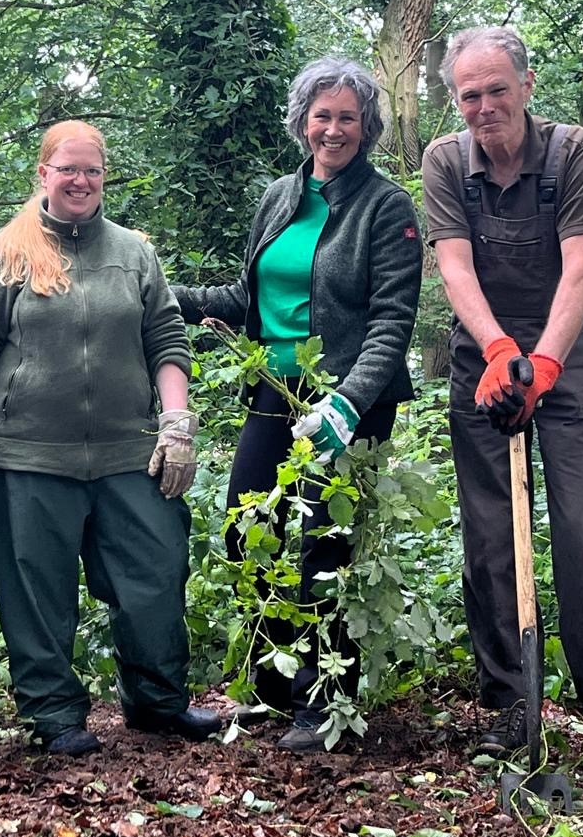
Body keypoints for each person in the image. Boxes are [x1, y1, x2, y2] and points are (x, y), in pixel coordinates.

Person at [0, 119, 221, 756]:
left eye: (92, 170)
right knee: (37, 587)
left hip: (132, 448)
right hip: (31, 455)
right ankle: (54, 716)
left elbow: (166, 339)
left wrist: (177, 424)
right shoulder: (8, 251)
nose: (80, 180)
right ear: (44, 173)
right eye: (68, 168)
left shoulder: (134, 252)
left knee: (154, 573)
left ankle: (158, 702)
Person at [174, 57, 422, 752]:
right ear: (302, 122)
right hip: (272, 392)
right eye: (323, 116)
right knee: (244, 532)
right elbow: (248, 302)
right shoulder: (281, 196)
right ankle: (278, 683)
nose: (334, 129)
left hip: (348, 402)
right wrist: (170, 299)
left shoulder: (386, 207)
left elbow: (391, 321)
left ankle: (326, 699)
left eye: (348, 117)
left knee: (325, 547)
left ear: (367, 126)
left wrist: (346, 404)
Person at [422, 25, 583, 759]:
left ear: (525, 86)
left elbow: (582, 269)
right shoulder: (444, 164)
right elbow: (455, 270)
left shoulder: (573, 153)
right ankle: (510, 708)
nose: (484, 106)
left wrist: (541, 367)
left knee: (580, 539)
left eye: (496, 90)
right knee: (489, 539)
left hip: (569, 357)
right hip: (482, 356)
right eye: (469, 95)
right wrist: (497, 352)